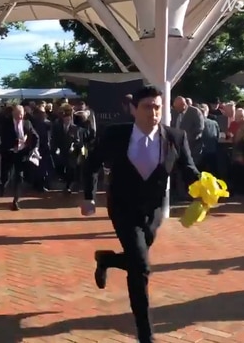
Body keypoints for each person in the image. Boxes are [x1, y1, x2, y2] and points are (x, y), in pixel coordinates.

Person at [81, 86, 200, 343]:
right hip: (123, 207)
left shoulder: (175, 137)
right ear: (133, 109)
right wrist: (88, 197)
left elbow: (188, 170)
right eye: (147, 107)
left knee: (137, 258)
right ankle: (145, 334)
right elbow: (91, 164)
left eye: (157, 107)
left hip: (154, 210)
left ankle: (107, 260)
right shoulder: (116, 135)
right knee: (141, 267)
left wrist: (205, 188)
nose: (153, 113)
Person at [0, 105, 39, 210]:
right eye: (17, 114)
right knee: (6, 175)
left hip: (21, 154)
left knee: (19, 177)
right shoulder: (6, 124)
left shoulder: (27, 123)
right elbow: (4, 139)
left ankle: (16, 200)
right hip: (9, 153)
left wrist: (33, 148)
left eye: (21, 114)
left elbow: (35, 136)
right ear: (13, 114)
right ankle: (3, 185)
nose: (19, 117)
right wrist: (17, 142)